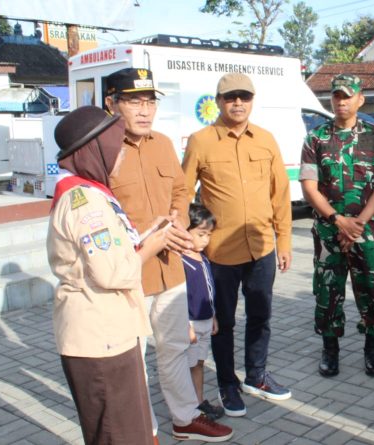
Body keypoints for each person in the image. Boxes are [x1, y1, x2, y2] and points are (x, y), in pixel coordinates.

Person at [104, 68, 232, 442]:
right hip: (133, 270)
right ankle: (145, 430)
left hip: (171, 268)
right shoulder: (104, 149)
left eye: (150, 102)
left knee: (175, 346)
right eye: (133, 101)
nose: (144, 111)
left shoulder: (161, 143)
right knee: (133, 358)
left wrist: (177, 218)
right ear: (112, 103)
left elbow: (180, 188)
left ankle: (185, 416)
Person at [48, 106, 182, 444]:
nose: (120, 153)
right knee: (117, 435)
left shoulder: (89, 192)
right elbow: (112, 272)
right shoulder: (86, 203)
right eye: (114, 145)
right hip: (100, 337)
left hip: (107, 332)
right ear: (94, 149)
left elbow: (111, 252)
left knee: (124, 431)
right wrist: (153, 246)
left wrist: (147, 232)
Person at [182, 72, 293, 418]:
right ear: (218, 101)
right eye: (231, 97)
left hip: (261, 247)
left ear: (252, 101)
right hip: (220, 252)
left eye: (244, 97)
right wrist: (189, 241)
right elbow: (184, 192)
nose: (238, 103)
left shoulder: (266, 140)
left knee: (261, 314)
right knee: (223, 321)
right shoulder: (201, 141)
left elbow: (281, 194)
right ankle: (228, 383)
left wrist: (284, 239)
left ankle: (256, 375)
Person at [300, 74, 374, 377]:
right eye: (336, 96)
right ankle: (330, 350)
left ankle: (372, 348)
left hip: (366, 231)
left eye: (347, 96)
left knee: (370, 289)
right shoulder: (316, 138)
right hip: (329, 231)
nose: (341, 101)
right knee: (328, 292)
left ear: (359, 99)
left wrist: (360, 223)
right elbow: (309, 187)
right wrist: (338, 221)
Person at [181, 204, 224, 420]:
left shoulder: (203, 258)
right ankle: (188, 408)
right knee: (186, 366)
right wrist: (186, 326)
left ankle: (198, 402)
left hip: (206, 320)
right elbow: (179, 299)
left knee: (198, 363)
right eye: (200, 234)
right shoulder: (181, 262)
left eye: (208, 235)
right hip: (191, 324)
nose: (205, 240)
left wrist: (213, 314)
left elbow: (208, 290)